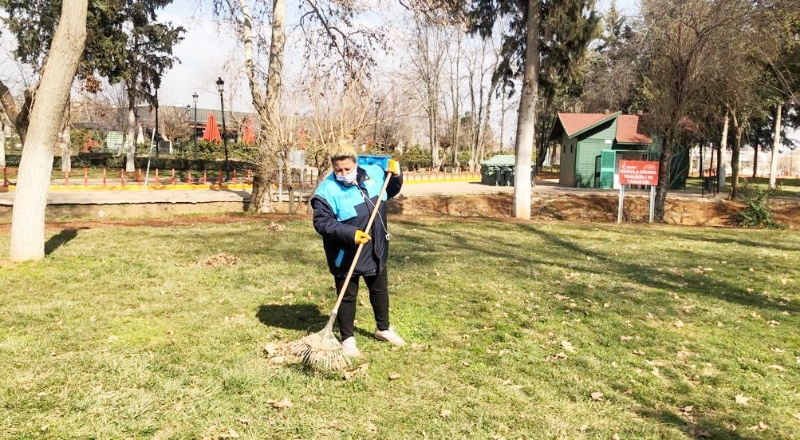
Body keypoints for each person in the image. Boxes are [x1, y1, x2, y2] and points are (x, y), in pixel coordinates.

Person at [310, 143, 405, 358]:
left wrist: (397, 175)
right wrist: (350, 234)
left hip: (375, 246)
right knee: (347, 295)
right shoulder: (326, 191)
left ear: (356, 164)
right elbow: (322, 223)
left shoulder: (372, 173)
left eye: (347, 169)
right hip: (345, 252)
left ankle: (383, 328)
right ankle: (348, 339)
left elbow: (389, 189)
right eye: (338, 170)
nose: (343, 174)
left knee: (380, 290)